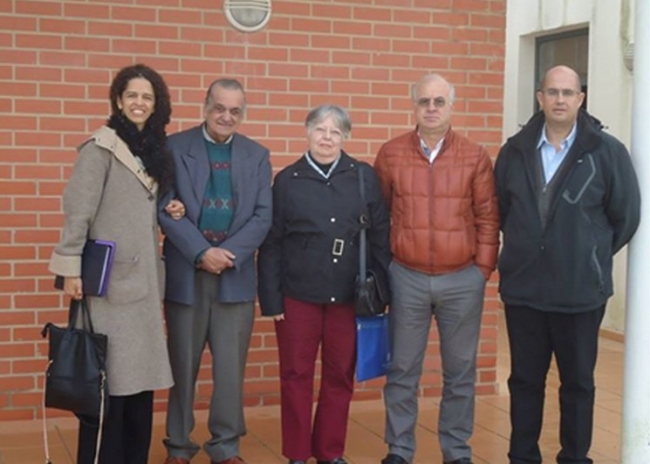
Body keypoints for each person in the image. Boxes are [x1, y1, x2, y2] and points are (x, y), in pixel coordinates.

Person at [494, 65, 640, 464]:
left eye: (568, 93)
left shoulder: (606, 152)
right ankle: (522, 456)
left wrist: (586, 254)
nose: (560, 100)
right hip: (524, 291)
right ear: (540, 97)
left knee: (577, 385)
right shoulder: (514, 151)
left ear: (580, 99)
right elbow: (503, 210)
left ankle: (575, 457)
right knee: (525, 381)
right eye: (552, 92)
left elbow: (625, 216)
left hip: (580, 293)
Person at [48, 63, 184, 464]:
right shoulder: (100, 148)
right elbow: (78, 211)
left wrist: (169, 207)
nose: (139, 102)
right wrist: (70, 268)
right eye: (132, 95)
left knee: (139, 388)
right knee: (108, 387)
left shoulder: (153, 149)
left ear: (156, 104)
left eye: (147, 97)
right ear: (119, 101)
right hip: (108, 285)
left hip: (142, 286)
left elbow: (138, 205)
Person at [374, 73, 500, 464]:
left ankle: (457, 451)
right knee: (402, 369)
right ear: (414, 106)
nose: (431, 108)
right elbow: (378, 216)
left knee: (460, 372)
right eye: (424, 101)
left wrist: (481, 270)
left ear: (451, 106)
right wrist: (387, 268)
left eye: (439, 101)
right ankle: (399, 449)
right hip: (406, 277)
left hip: (462, 278)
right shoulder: (391, 153)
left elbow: (487, 217)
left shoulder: (474, 155)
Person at [257, 104, 391, 464]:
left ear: (345, 137)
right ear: (307, 132)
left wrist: (382, 293)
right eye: (320, 129)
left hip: (348, 297)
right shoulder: (287, 181)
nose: (327, 138)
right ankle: (298, 453)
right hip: (297, 297)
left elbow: (380, 237)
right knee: (295, 376)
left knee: (339, 376)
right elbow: (271, 244)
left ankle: (330, 452)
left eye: (335, 132)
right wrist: (271, 301)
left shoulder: (363, 177)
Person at [158, 78, 273, 464]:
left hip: (234, 276)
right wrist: (201, 251)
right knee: (182, 366)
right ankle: (178, 446)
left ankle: (225, 446)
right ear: (206, 106)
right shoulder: (174, 148)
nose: (226, 116)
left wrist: (228, 254)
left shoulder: (256, 156)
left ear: (243, 114)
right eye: (220, 108)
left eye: (235, 110)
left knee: (229, 370)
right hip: (187, 275)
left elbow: (263, 217)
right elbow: (164, 207)